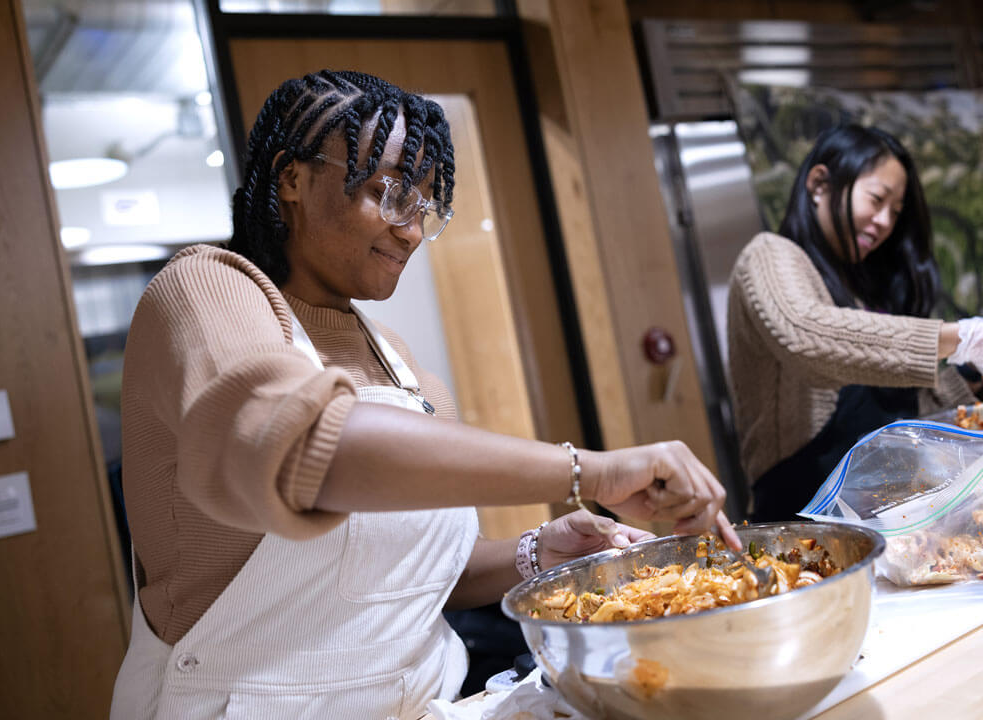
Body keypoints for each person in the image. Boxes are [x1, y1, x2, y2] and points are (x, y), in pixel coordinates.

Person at [109, 70, 738, 719]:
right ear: (291, 178)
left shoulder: (402, 366)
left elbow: (410, 576)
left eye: (425, 206)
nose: (410, 230)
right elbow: (310, 452)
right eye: (388, 193)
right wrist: (590, 471)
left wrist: (537, 551)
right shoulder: (205, 292)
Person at [727, 124, 983, 522]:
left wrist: (978, 357)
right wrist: (965, 336)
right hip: (802, 524)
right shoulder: (769, 254)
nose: (885, 222)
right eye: (876, 199)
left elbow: (910, 416)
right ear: (819, 184)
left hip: (887, 523)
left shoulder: (863, 292)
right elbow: (807, 335)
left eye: (896, 212)